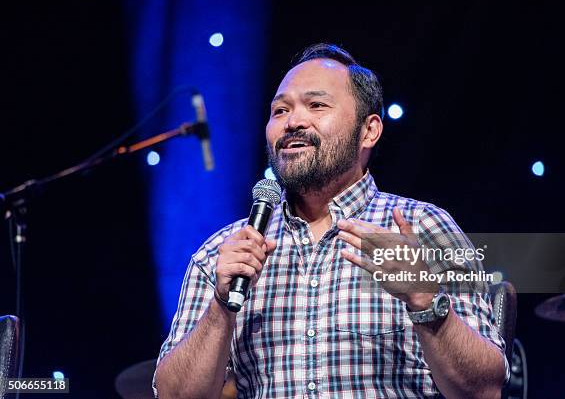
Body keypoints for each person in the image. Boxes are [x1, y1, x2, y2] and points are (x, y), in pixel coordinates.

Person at [153, 43, 509, 399]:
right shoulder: (225, 251)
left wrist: (424, 298)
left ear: (368, 131)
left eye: (317, 105)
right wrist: (221, 307)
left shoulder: (424, 228)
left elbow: (486, 391)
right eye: (280, 110)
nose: (293, 122)